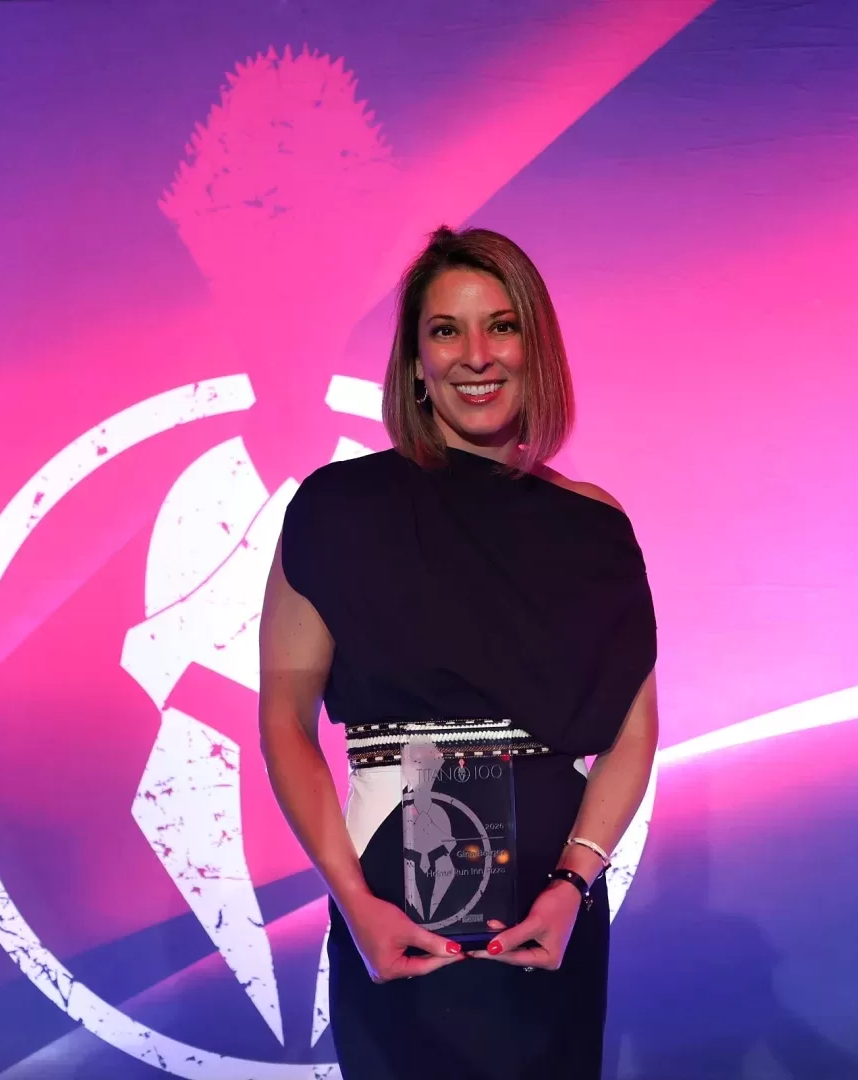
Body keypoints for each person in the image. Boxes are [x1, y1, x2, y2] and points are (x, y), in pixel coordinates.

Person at [258, 225, 659, 1079]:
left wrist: (573, 884)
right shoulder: (337, 510)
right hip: (393, 900)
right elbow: (284, 720)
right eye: (446, 330)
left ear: (535, 346)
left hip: (553, 904)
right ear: (415, 361)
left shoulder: (594, 526)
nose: (476, 355)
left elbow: (634, 732)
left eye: (501, 326)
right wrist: (353, 901)